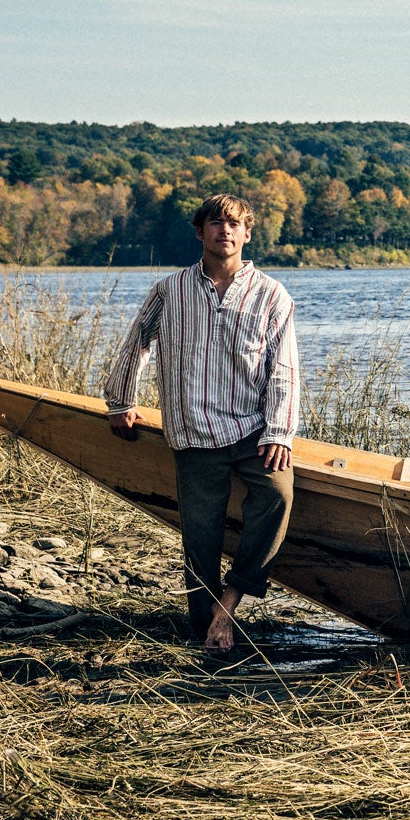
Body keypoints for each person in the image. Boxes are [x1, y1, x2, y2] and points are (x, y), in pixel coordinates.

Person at [103, 193, 300, 651]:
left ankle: (229, 604)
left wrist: (278, 431)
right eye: (215, 223)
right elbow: (138, 341)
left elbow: (284, 368)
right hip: (192, 433)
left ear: (247, 234)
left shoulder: (271, 294)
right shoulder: (170, 290)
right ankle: (206, 633)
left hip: (254, 432)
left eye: (234, 224)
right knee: (200, 539)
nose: (224, 231)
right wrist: (120, 400)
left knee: (276, 497)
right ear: (200, 232)